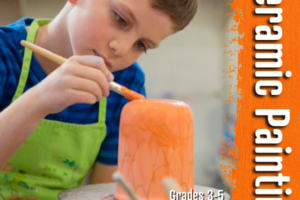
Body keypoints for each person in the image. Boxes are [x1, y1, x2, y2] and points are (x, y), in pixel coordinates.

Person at [0, 0, 198, 199]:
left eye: (140, 45)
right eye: (121, 20)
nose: (121, 48)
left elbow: (103, 192)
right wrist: (39, 100)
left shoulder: (125, 83)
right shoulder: (5, 55)